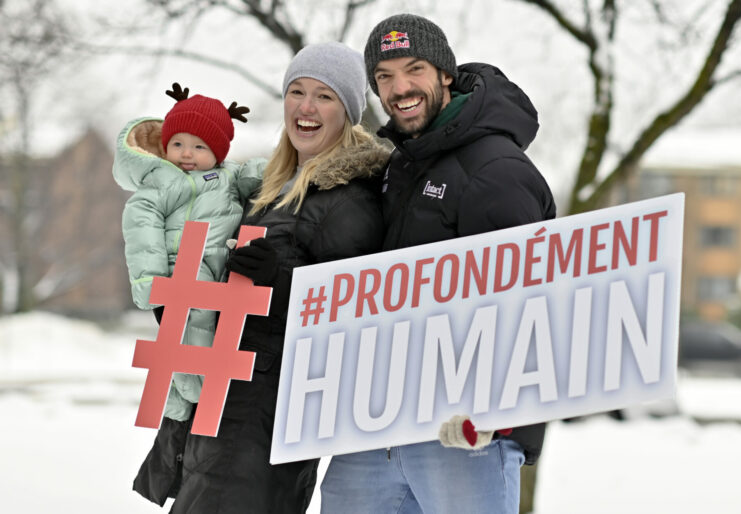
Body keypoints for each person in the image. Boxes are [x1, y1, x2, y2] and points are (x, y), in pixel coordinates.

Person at [320, 13, 556, 514]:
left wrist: (493, 407)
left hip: (461, 435)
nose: (400, 87)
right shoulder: (398, 163)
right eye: (384, 76)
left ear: (445, 73)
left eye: (415, 69)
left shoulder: (495, 170)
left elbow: (526, 301)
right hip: (374, 425)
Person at [167, 41, 389, 513]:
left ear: (349, 112)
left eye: (325, 96)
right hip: (226, 396)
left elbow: (354, 311)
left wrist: (281, 278)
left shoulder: (352, 200)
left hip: (269, 415)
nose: (306, 108)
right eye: (296, 91)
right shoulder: (274, 185)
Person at [113, 84, 261, 425]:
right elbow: (141, 223)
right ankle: (191, 390)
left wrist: (268, 168)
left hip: (222, 265)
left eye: (199, 146)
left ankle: (180, 396)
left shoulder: (227, 176)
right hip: (180, 267)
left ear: (219, 152)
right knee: (192, 326)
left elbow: (256, 176)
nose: (186, 153)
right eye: (177, 144)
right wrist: (149, 277)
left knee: (202, 331)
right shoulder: (163, 181)